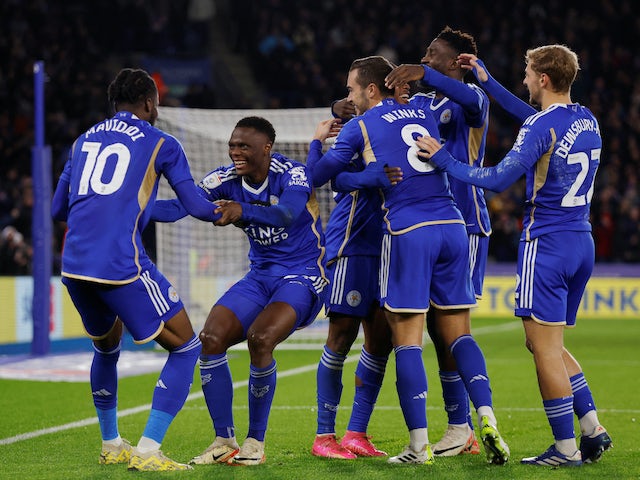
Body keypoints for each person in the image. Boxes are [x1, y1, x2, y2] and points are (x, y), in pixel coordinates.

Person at [308, 55, 510, 465]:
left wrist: (316, 140)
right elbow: (451, 98)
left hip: (406, 231)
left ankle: (419, 446)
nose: (346, 98)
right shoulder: (423, 109)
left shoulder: (360, 127)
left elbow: (316, 176)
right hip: (453, 225)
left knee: (407, 341)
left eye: (350, 90)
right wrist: (421, 78)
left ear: (369, 90)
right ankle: (483, 417)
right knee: (460, 335)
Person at [417, 44, 613, 466]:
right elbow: (535, 120)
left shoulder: (540, 127)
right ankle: (592, 428)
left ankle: (564, 449)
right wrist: (489, 83)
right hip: (582, 240)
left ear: (543, 78)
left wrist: (444, 157)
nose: (523, 80)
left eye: (526, 73)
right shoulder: (585, 118)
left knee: (542, 347)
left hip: (547, 243)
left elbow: (496, 180)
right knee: (549, 343)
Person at [51, 68, 224, 471]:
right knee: (186, 346)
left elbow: (60, 208)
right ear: (149, 103)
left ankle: (111, 443)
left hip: (75, 265)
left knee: (106, 346)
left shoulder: (82, 141)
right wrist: (223, 200)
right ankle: (148, 450)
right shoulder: (161, 141)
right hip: (120, 265)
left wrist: (140, 210)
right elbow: (197, 207)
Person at [179, 116, 329, 466]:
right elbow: (182, 207)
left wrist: (241, 210)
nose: (235, 152)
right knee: (210, 338)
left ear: (266, 148)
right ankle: (223, 440)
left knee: (260, 339)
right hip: (260, 276)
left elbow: (288, 213)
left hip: (303, 275)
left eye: (243, 146)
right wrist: (134, 210)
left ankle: (254, 443)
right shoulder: (225, 179)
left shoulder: (292, 173)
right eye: (232, 145)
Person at [384, 26, 495, 459]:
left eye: (433, 54)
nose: (425, 58)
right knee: (436, 327)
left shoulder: (471, 100)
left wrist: (425, 75)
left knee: (452, 329)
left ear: (454, 64)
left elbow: (472, 99)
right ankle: (461, 427)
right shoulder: (425, 105)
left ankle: (460, 425)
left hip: (465, 223)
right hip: (430, 223)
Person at [310, 83, 409, 460]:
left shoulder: (391, 130)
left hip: (385, 246)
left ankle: (356, 432)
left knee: (380, 339)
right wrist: (317, 144)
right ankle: (324, 436)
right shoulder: (355, 135)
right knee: (341, 335)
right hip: (351, 246)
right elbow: (333, 179)